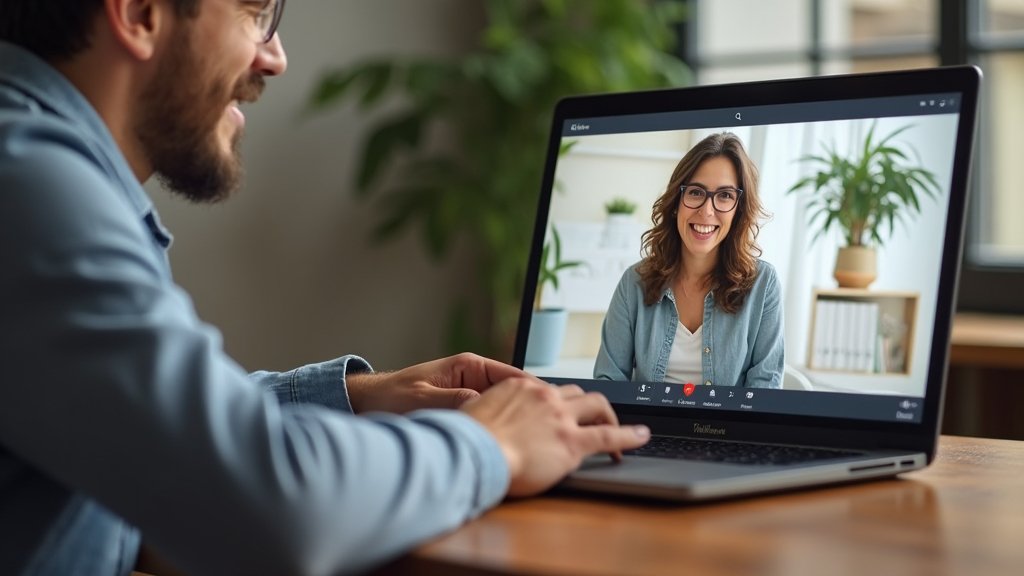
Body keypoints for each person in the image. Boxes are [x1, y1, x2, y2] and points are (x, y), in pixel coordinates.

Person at [0, 1, 652, 575]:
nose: (275, 56)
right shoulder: (29, 187)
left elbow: (147, 430)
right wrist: (495, 445)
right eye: (257, 12)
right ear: (140, 12)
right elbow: (271, 511)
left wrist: (358, 398)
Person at [593, 132, 785, 388]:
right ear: (676, 202)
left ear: (739, 209)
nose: (707, 211)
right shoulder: (634, 282)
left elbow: (764, 390)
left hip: (730, 429)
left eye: (725, 196)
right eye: (695, 192)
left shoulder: (764, 284)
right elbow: (608, 381)